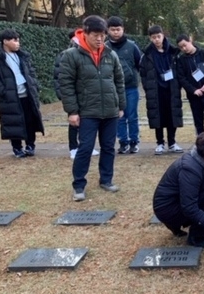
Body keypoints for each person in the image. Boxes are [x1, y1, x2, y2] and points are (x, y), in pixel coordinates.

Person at [59, 15, 125, 201]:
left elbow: (119, 81)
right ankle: (79, 185)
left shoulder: (110, 54)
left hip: (110, 111)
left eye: (102, 35)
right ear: (85, 33)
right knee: (85, 148)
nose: (99, 39)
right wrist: (72, 111)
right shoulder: (71, 55)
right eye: (95, 35)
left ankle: (106, 179)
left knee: (109, 147)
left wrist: (120, 105)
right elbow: (66, 84)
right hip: (87, 111)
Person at [153, 128, 204, 249]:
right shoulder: (190, 169)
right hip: (167, 209)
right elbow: (189, 207)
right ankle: (196, 238)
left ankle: (178, 227)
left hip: (175, 203)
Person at [0, 29, 45, 158]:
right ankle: (17, 148)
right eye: (15, 40)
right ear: (5, 41)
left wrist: (34, 85)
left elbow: (31, 71)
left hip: (27, 94)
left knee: (30, 121)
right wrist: (3, 91)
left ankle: (30, 145)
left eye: (18, 40)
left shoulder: (22, 55)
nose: (18, 43)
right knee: (14, 122)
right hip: (11, 97)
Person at [53, 29, 100, 160]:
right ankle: (73, 147)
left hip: (87, 96)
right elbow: (59, 78)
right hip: (73, 96)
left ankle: (86, 146)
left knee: (87, 123)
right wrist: (63, 95)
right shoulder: (66, 55)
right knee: (74, 123)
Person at [140, 25, 183, 155]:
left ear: (163, 35)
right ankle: (160, 143)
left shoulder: (173, 52)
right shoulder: (147, 55)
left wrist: (177, 85)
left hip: (171, 89)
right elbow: (143, 73)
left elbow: (179, 71)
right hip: (156, 90)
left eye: (158, 36)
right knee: (158, 117)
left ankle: (172, 142)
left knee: (171, 116)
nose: (157, 40)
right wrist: (148, 88)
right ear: (150, 38)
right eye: (154, 37)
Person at [106, 16, 142, 154]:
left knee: (132, 115)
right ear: (108, 31)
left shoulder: (132, 46)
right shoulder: (105, 47)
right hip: (113, 88)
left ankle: (134, 141)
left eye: (118, 29)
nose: (116, 32)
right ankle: (123, 141)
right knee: (119, 116)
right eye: (113, 30)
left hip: (131, 87)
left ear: (123, 29)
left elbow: (140, 64)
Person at [175, 34, 204, 135]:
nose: (184, 48)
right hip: (194, 96)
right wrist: (193, 90)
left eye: (185, 45)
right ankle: (201, 142)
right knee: (198, 120)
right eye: (181, 47)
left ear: (190, 41)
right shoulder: (181, 60)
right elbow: (182, 78)